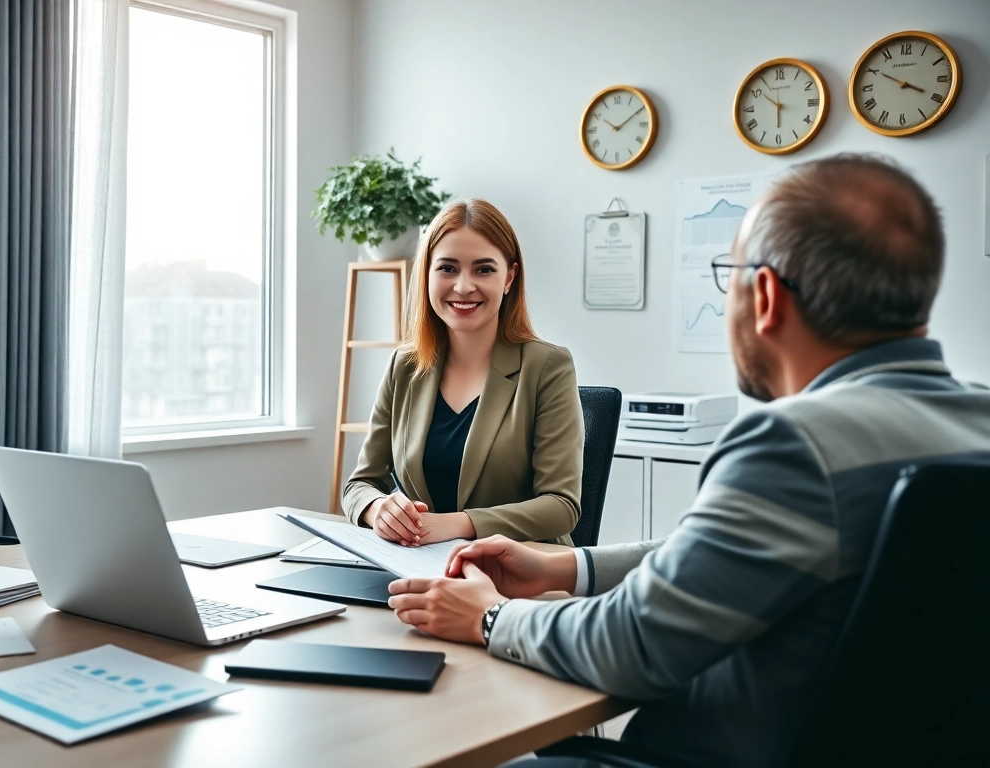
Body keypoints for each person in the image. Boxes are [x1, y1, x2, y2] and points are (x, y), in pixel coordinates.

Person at [386, 154, 990, 767]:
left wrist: (492, 617)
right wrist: (571, 569)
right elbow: (738, 553)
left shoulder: (793, 446)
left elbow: (632, 644)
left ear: (766, 297)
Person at [342, 198, 584, 546]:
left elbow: (561, 507)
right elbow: (359, 485)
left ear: (509, 277)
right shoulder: (404, 366)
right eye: (448, 268)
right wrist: (377, 507)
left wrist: (458, 525)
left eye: (484, 269)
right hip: (420, 562)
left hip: (520, 570)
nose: (463, 286)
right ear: (426, 273)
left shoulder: (548, 367)